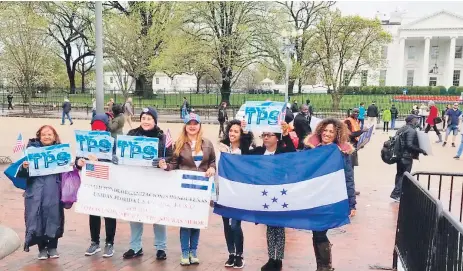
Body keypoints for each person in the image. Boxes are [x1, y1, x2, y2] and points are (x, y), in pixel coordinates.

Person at [159, 113, 216, 266]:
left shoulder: (208, 144)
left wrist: (211, 168)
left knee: (197, 221)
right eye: (189, 123)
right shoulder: (179, 144)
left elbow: (212, 162)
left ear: (199, 126)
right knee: (185, 221)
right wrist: (166, 166)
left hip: (201, 189)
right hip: (184, 189)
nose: (192, 126)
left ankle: (193, 251)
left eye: (195, 123)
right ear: (185, 126)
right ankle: (185, 252)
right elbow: (174, 164)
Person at [303, 118, 357, 271]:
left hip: (331, 197)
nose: (327, 134)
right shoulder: (311, 147)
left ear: (337, 134)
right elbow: (298, 164)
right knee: (316, 231)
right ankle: (322, 266)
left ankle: (325, 267)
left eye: (331, 131)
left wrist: (352, 203)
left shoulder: (342, 152)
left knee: (320, 231)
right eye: (325, 130)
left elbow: (348, 178)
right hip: (314, 196)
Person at [122, 107, 172, 260]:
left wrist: (164, 161)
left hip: (156, 182)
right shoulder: (132, 134)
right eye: (143, 118)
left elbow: (171, 156)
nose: (146, 121)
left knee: (157, 214)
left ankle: (161, 247)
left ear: (155, 121)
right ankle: (135, 246)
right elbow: (121, 151)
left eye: (149, 118)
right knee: (136, 213)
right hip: (136, 181)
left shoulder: (162, 137)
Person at [244, 122, 295, 271]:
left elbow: (293, 154)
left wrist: (286, 135)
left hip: (279, 194)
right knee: (269, 227)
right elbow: (245, 154)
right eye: (263, 135)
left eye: (269, 135)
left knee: (279, 227)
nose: (265, 138)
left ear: (276, 138)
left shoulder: (282, 152)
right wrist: (246, 133)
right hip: (264, 195)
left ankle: (278, 259)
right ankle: (271, 257)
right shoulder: (259, 152)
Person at [16, 125, 65, 260]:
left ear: (54, 136)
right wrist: (24, 167)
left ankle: (53, 246)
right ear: (39, 136)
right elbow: (21, 174)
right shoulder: (31, 151)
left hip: (54, 190)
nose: (47, 137)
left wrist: (78, 164)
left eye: (50, 134)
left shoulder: (60, 151)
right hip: (36, 191)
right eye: (44, 134)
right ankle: (41, 247)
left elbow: (68, 169)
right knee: (37, 218)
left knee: (54, 216)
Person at [75, 116, 117, 258]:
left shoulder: (113, 142)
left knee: (109, 213)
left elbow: (118, 161)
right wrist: (79, 162)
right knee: (93, 212)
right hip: (92, 184)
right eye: (95, 126)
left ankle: (110, 243)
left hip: (108, 183)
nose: (98, 129)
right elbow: (77, 159)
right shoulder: (85, 142)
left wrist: (101, 161)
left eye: (101, 126)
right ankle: (95, 242)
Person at [217, 119, 254, 269]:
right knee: (226, 224)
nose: (232, 133)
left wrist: (247, 131)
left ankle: (239, 254)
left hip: (239, 193)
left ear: (241, 134)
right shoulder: (222, 148)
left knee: (235, 225)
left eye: (236, 131)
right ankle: (231, 254)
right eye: (231, 131)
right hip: (224, 192)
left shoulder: (246, 151)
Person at [390, 115, 428, 201]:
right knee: (405, 175)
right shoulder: (411, 130)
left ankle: (398, 193)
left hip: (399, 156)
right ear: (411, 121)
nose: (417, 121)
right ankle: (396, 193)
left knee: (399, 174)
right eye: (416, 120)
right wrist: (421, 150)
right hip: (406, 156)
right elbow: (409, 145)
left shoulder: (402, 128)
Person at [344, 108, 366, 197]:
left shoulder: (355, 120)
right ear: (351, 112)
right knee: (349, 169)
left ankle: (351, 188)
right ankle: (350, 189)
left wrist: (360, 143)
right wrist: (362, 131)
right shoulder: (348, 121)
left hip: (354, 146)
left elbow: (355, 135)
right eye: (355, 112)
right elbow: (349, 135)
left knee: (352, 168)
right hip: (349, 148)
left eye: (357, 112)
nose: (356, 113)